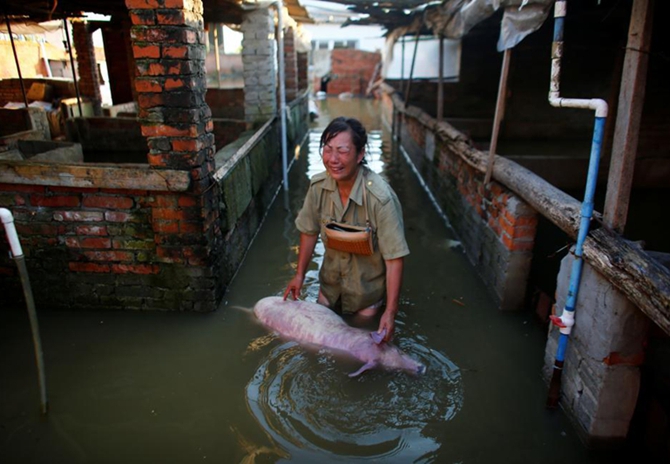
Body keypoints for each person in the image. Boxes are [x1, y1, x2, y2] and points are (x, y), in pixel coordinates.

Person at [283, 117, 410, 342]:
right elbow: (309, 232)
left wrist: (390, 312)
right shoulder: (318, 187)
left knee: (360, 344)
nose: (333, 159)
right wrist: (300, 275)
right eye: (328, 150)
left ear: (360, 154)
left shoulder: (380, 199)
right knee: (318, 342)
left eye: (342, 151)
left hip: (366, 298)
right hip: (330, 288)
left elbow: (394, 259)